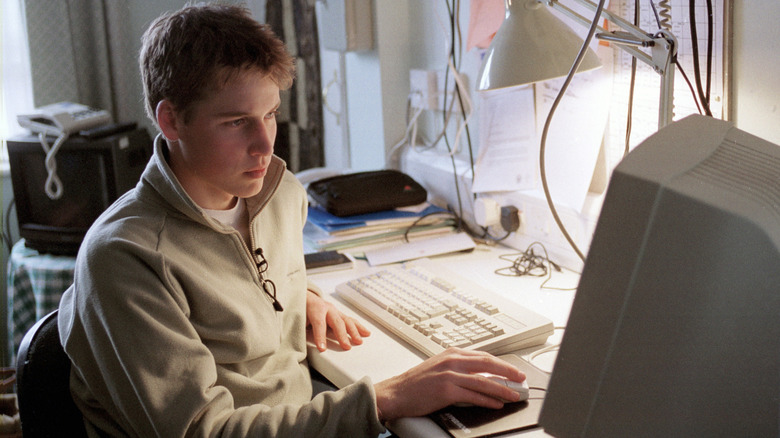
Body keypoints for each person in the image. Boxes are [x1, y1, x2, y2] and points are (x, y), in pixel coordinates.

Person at [58, 3, 526, 436]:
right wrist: (384, 400)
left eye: (270, 114)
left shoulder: (280, 194)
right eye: (236, 122)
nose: (266, 145)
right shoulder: (125, 257)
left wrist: (301, 296)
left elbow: (242, 272)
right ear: (172, 121)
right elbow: (204, 431)